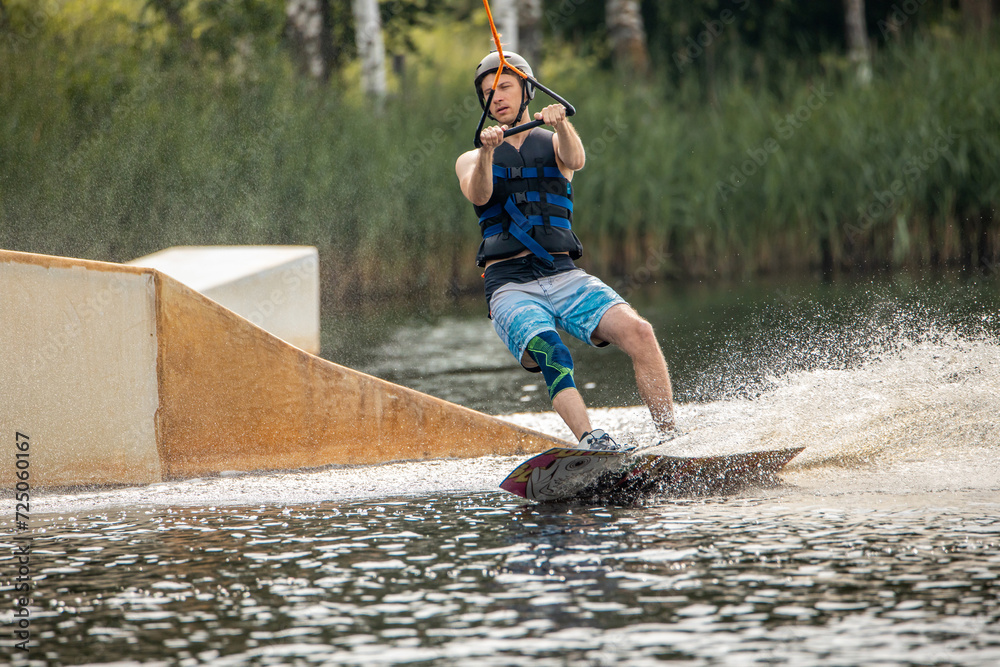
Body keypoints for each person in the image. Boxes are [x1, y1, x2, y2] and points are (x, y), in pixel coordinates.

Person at [455, 51, 675, 450]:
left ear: (527, 90)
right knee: (552, 353)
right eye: (488, 94)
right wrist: (488, 151)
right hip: (510, 286)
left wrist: (563, 125)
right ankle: (592, 441)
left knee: (640, 331)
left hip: (564, 274)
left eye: (504, 87)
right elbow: (480, 193)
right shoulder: (471, 157)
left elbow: (576, 159)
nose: (497, 98)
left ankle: (671, 438)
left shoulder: (556, 142)